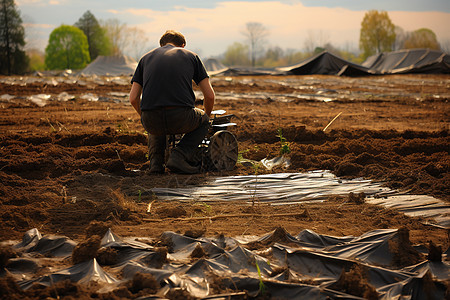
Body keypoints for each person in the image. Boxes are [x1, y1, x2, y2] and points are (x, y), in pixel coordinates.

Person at [129, 30, 215, 174]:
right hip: (180, 116)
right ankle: (178, 156)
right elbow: (210, 96)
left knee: (155, 116)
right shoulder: (191, 56)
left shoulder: (145, 59)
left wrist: (144, 116)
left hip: (150, 120)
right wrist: (206, 116)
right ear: (182, 45)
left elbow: (133, 98)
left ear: (161, 45)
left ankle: (155, 164)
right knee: (204, 121)